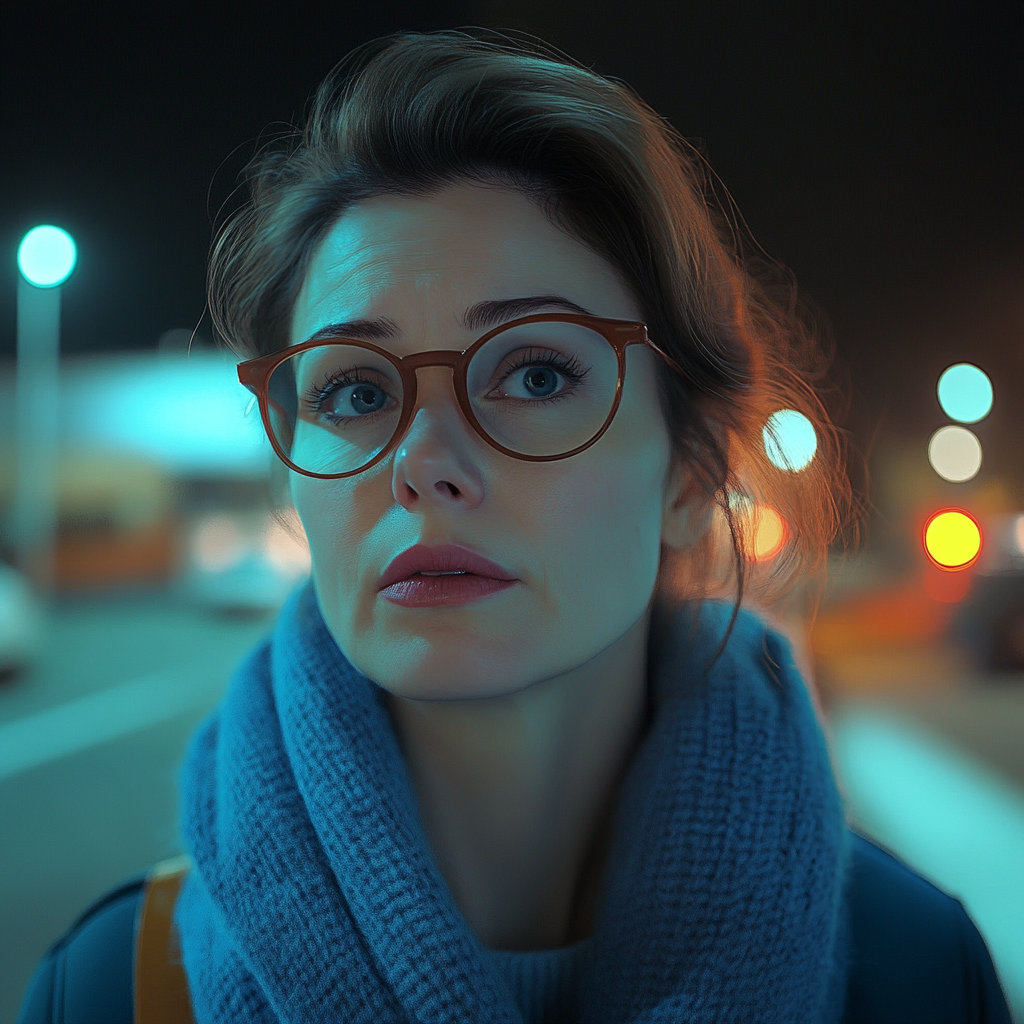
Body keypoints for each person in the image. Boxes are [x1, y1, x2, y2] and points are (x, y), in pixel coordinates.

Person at [18, 29, 1012, 1024]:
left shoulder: (914, 973)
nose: (421, 463)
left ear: (689, 467)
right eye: (355, 390)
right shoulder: (117, 990)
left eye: (536, 372)